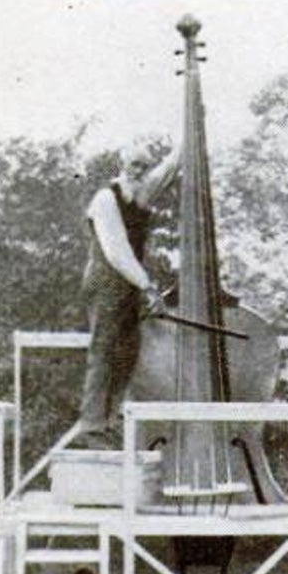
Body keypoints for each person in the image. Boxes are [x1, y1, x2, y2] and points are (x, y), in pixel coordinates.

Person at [73, 144, 180, 448]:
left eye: (144, 166)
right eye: (135, 165)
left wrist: (195, 121)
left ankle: (111, 422)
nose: (140, 171)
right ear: (122, 165)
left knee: (128, 352)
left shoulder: (140, 194)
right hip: (105, 281)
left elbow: (170, 168)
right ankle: (92, 426)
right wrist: (148, 287)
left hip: (128, 284)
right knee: (104, 350)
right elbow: (117, 251)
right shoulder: (106, 199)